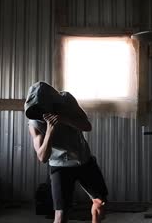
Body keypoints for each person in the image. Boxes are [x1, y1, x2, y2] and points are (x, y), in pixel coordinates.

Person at [24, 82, 108, 223]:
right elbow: (42, 157)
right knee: (61, 214)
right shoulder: (35, 123)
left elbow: (87, 126)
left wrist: (65, 119)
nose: (43, 115)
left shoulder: (67, 100)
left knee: (100, 201)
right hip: (60, 165)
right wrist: (50, 131)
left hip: (83, 159)